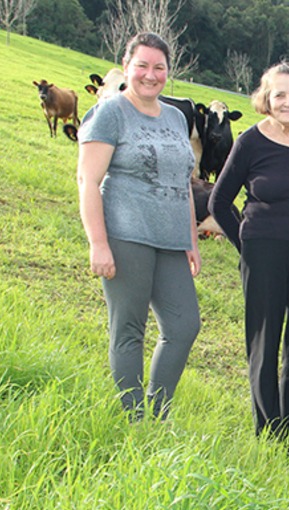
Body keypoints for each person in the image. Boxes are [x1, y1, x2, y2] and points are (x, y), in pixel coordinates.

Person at [76, 32, 202, 421]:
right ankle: (133, 419)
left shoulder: (176, 117)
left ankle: (157, 411)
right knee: (129, 328)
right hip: (125, 234)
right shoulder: (111, 112)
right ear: (127, 67)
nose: (151, 74)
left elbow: (184, 182)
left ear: (168, 72)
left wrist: (191, 239)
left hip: (171, 240)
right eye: (142, 65)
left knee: (184, 326)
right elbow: (87, 181)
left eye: (159, 67)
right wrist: (98, 243)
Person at [209, 62, 289, 451]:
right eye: (280, 94)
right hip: (263, 252)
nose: (288, 101)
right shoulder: (249, 141)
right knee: (264, 342)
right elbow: (219, 201)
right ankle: (269, 430)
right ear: (266, 98)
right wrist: (247, 249)